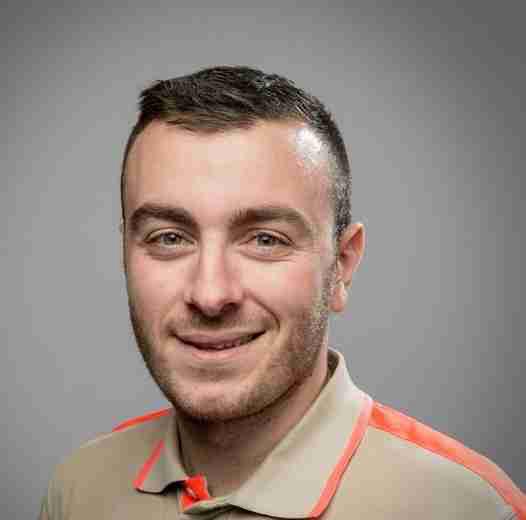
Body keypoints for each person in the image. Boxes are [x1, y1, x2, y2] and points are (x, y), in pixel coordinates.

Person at [39, 65, 525, 520]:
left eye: (266, 240)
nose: (210, 294)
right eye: (169, 238)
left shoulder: (468, 508)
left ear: (341, 266)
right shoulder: (80, 489)